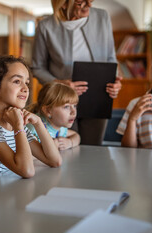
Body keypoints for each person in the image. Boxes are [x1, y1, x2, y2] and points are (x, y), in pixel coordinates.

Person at [32, 0, 122, 145]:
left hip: (98, 97)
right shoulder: (45, 26)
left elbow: (111, 58)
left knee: (93, 151)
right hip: (61, 101)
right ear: (63, 4)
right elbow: (37, 67)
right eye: (81, 2)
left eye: (90, 0)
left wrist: (115, 81)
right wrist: (60, 83)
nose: (89, 5)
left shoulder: (102, 17)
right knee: (63, 147)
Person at [0, 55, 62, 181]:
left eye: (27, 83)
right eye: (17, 81)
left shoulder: (16, 126)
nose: (25, 89)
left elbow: (54, 160)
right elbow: (27, 170)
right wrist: (18, 126)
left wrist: (38, 123)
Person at [27, 82, 80, 150]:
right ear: (48, 111)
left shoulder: (60, 128)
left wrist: (70, 142)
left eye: (74, 106)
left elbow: (76, 136)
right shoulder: (33, 128)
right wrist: (48, 148)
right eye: (66, 107)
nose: (73, 112)